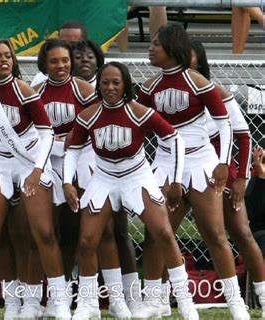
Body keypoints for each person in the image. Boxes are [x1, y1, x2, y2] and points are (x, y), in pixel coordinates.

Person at [63, 61, 197, 320]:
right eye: (105, 82)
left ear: (125, 84)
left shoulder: (139, 111)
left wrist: (176, 180)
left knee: (163, 233)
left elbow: (174, 138)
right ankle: (88, 305)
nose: (110, 87)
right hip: (103, 177)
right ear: (98, 86)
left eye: (116, 82)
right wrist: (67, 181)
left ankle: (185, 301)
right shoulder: (88, 115)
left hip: (137, 177)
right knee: (87, 240)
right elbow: (74, 149)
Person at [137, 25, 250, 319]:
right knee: (157, 234)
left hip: (200, 163)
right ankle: (156, 299)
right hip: (163, 164)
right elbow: (136, 124)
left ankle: (235, 302)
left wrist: (224, 163)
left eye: (156, 44)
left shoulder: (199, 82)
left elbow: (225, 124)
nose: (150, 49)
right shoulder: (149, 87)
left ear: (172, 48)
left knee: (214, 233)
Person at [0, 39, 71, 319]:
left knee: (43, 233)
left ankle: (59, 301)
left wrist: (37, 171)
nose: (4, 61)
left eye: (8, 56)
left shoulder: (24, 90)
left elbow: (47, 132)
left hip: (29, 162)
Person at [190, 40, 265, 316]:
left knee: (241, 233)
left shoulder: (216, 92)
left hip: (220, 176)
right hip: (180, 175)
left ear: (200, 60)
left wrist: (241, 178)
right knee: (161, 234)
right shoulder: (168, 94)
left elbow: (243, 135)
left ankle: (261, 295)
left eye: (189, 56)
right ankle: (160, 297)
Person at [33, 38, 97, 317]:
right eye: (54, 61)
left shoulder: (83, 89)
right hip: (46, 161)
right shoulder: (34, 92)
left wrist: (69, 138)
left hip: (78, 160)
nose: (61, 66)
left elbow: (95, 122)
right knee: (47, 230)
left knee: (73, 231)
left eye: (65, 60)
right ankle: (52, 295)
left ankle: (76, 295)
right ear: (44, 64)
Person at [31, 20, 88, 87]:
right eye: (63, 43)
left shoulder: (95, 82)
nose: (67, 48)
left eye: (73, 45)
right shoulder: (40, 79)